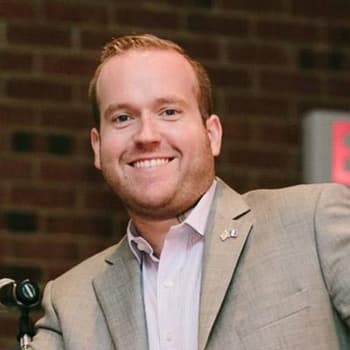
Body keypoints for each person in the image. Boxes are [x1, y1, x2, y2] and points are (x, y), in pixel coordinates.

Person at [29, 34, 350, 350]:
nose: (146, 136)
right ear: (97, 148)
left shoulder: (312, 223)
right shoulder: (70, 302)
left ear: (212, 134)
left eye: (168, 111)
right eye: (123, 118)